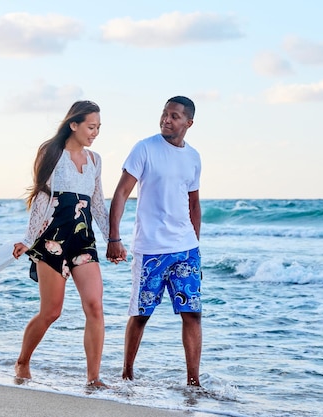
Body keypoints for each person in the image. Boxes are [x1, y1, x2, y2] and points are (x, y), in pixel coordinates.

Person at [12, 100, 110, 388]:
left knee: (95, 306)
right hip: (52, 239)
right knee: (51, 312)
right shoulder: (51, 151)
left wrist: (112, 240)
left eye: (99, 128)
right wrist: (29, 240)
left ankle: (93, 378)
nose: (95, 133)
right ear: (74, 124)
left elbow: (98, 205)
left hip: (83, 241)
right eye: (91, 127)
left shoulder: (95, 160)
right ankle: (23, 361)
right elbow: (42, 197)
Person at [106, 96, 203, 386]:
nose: (166, 120)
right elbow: (121, 193)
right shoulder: (145, 148)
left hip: (185, 250)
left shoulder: (194, 157)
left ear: (188, 123)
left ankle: (193, 382)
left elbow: (194, 202)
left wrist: (193, 241)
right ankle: (127, 374)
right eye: (164, 114)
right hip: (150, 249)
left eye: (174, 116)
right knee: (141, 314)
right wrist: (114, 237)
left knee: (192, 314)